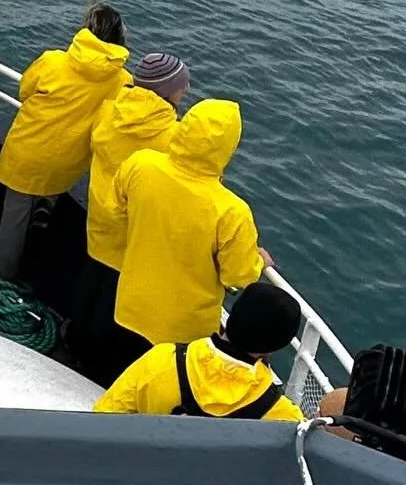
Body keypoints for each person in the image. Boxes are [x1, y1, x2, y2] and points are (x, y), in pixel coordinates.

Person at [108, 98, 270, 362]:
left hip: (129, 307)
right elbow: (238, 277)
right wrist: (257, 262)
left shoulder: (141, 164)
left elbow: (117, 209)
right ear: (227, 147)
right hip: (183, 332)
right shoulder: (232, 211)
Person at [65, 49, 188, 383]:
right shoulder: (170, 136)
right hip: (133, 227)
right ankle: (92, 364)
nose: (185, 91)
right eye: (181, 86)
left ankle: (73, 340)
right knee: (114, 297)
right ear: (167, 92)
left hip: (100, 215)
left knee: (91, 276)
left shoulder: (109, 111)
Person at [0, 3, 130, 279]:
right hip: (69, 159)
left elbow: (25, 90)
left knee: (14, 218)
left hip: (28, 151)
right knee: (48, 203)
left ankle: (2, 278)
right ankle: (39, 255)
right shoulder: (122, 80)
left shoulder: (53, 61)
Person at [93, 282, 304, 421]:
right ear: (275, 347)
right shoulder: (282, 415)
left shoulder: (161, 359)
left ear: (231, 318)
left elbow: (103, 418)